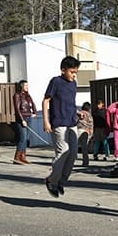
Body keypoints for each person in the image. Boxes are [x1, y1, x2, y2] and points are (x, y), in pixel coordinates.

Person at [42, 55, 82, 198]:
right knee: (63, 151)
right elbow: (46, 101)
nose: (74, 75)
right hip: (59, 123)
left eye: (76, 72)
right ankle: (51, 180)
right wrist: (46, 121)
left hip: (72, 122)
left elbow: (69, 102)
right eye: (72, 72)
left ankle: (61, 181)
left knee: (73, 154)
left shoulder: (73, 83)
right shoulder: (56, 81)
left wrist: (78, 112)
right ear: (63, 70)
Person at [12, 79, 37, 164]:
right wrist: (22, 120)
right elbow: (17, 109)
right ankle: (16, 157)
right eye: (25, 85)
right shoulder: (17, 95)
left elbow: (32, 104)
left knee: (26, 139)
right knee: (22, 138)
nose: (27, 87)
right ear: (21, 86)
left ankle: (23, 156)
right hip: (21, 118)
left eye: (27, 85)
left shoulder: (28, 95)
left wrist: (34, 112)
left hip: (29, 117)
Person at [76, 102, 93, 167]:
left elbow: (74, 121)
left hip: (78, 130)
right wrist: (90, 134)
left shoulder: (79, 113)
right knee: (84, 148)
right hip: (86, 132)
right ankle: (85, 162)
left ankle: (71, 160)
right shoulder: (89, 115)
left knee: (73, 146)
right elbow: (91, 125)